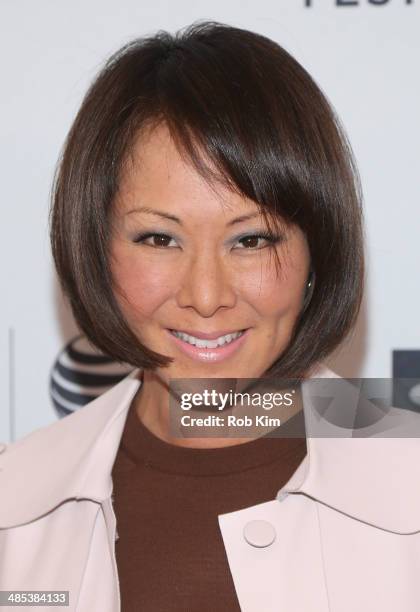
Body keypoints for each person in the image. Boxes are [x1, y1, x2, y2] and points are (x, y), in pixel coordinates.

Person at [1, 20, 419, 612]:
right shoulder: (14, 508)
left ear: (316, 251)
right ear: (95, 246)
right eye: (158, 238)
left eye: (250, 241)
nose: (204, 295)